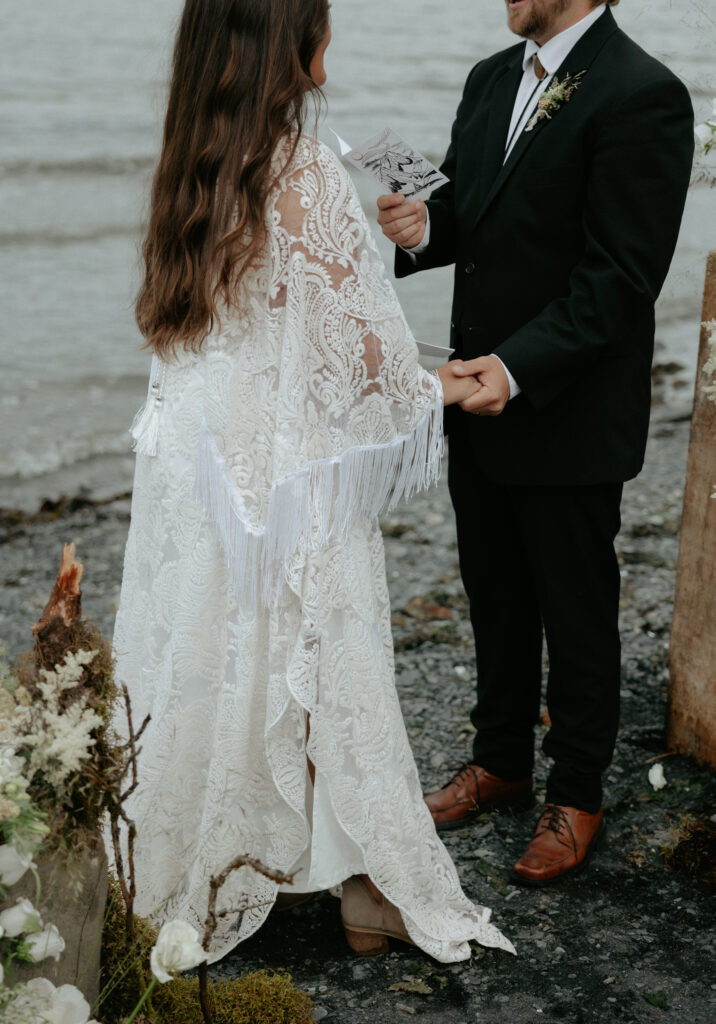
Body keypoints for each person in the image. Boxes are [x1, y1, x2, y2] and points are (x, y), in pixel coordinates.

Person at [113, 0, 515, 964]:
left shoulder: (196, 161)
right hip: (291, 477)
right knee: (324, 662)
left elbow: (250, 332)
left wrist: (419, 366)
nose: (331, 42)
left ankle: (195, 851)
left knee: (225, 655)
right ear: (288, 44)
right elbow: (362, 351)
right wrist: (446, 385)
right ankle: (366, 887)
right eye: (321, 23)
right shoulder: (299, 170)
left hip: (206, 467)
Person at [378, 0, 694, 884]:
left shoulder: (645, 94)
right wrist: (422, 230)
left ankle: (579, 791)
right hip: (473, 391)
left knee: (577, 605)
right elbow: (469, 218)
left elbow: (620, 279)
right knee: (494, 588)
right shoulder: (489, 79)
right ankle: (501, 760)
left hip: (566, 401)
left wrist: (515, 370)